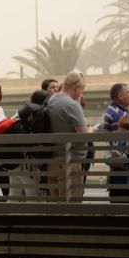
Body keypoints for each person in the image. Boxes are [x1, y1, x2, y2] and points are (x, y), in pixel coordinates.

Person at [46, 71, 95, 203]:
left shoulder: (53, 99)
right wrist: (92, 129)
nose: (81, 93)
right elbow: (83, 133)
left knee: (56, 206)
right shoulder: (72, 105)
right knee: (72, 206)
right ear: (76, 88)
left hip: (53, 160)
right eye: (81, 90)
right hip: (71, 161)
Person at [103, 82, 129, 201]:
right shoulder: (117, 114)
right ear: (120, 96)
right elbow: (120, 143)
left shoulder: (114, 110)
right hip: (122, 170)